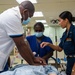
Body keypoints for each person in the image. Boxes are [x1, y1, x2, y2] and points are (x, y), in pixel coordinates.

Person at [0, 1, 46, 72]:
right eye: (29, 16)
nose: (29, 18)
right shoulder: (12, 17)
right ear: (25, 12)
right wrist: (32, 64)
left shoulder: (16, 16)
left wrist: (34, 58)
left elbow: (24, 41)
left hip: (3, 57)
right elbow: (21, 45)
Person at [40, 11, 75, 75]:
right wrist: (49, 44)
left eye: (60, 20)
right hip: (69, 61)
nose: (59, 23)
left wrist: (74, 69)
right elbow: (59, 48)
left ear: (66, 20)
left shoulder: (74, 31)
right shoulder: (65, 34)